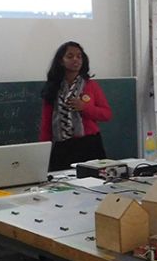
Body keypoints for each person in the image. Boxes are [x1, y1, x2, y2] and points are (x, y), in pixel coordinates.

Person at [39, 41, 112, 172]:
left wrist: (84, 108)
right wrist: (43, 151)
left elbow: (106, 114)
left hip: (89, 144)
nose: (76, 60)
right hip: (62, 146)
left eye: (79, 56)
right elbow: (46, 124)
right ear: (61, 61)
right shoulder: (52, 88)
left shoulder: (91, 86)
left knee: (94, 181)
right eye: (70, 56)